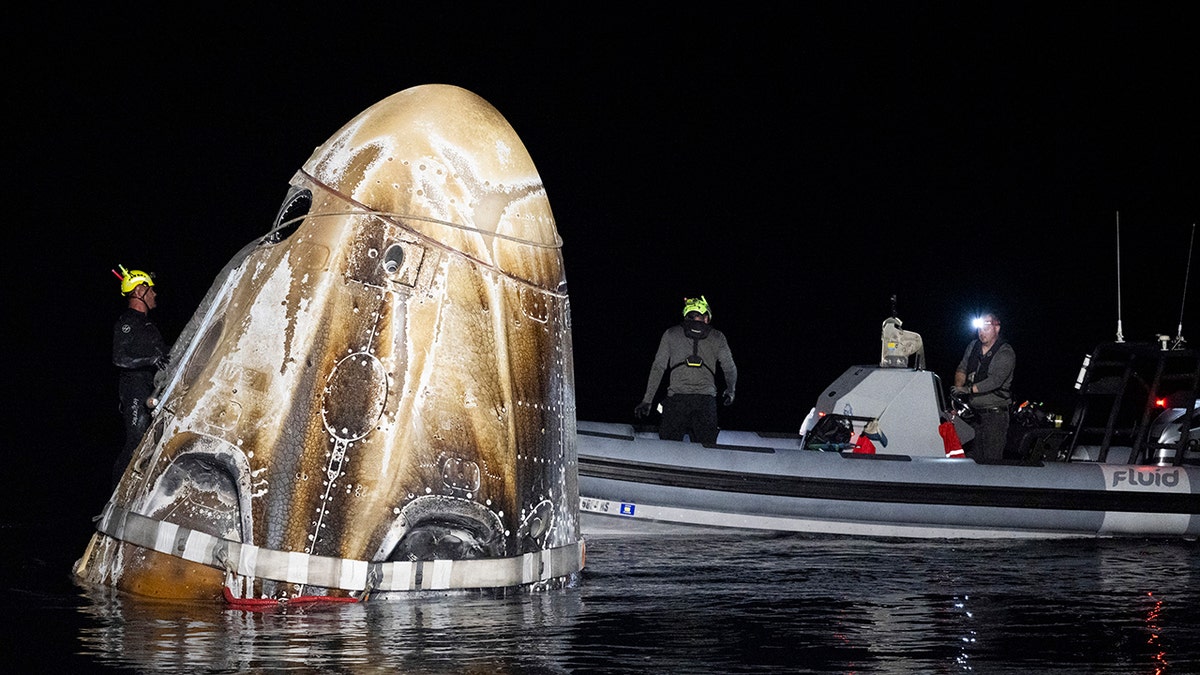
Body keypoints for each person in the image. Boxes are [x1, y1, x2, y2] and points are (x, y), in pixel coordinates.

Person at [634, 296, 737, 444]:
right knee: (706, 450)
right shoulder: (718, 337)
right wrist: (731, 390)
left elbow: (658, 367)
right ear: (706, 317)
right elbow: (730, 368)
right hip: (706, 403)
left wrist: (647, 400)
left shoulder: (671, 333)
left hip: (676, 402)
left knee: (669, 448)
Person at [111, 265, 169, 488]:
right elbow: (119, 358)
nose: (154, 294)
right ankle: (114, 496)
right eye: (150, 289)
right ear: (138, 292)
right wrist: (150, 360)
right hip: (134, 388)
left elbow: (165, 355)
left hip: (151, 388)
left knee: (152, 440)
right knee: (135, 439)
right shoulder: (128, 321)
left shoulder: (149, 326)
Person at [952, 312, 1015, 461]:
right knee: (972, 458)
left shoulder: (1006, 352)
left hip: (995, 416)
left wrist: (968, 390)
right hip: (974, 415)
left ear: (997, 328)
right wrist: (957, 393)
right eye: (979, 328)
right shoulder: (973, 346)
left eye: (986, 327)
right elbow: (962, 368)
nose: (982, 332)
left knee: (991, 460)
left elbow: (995, 380)